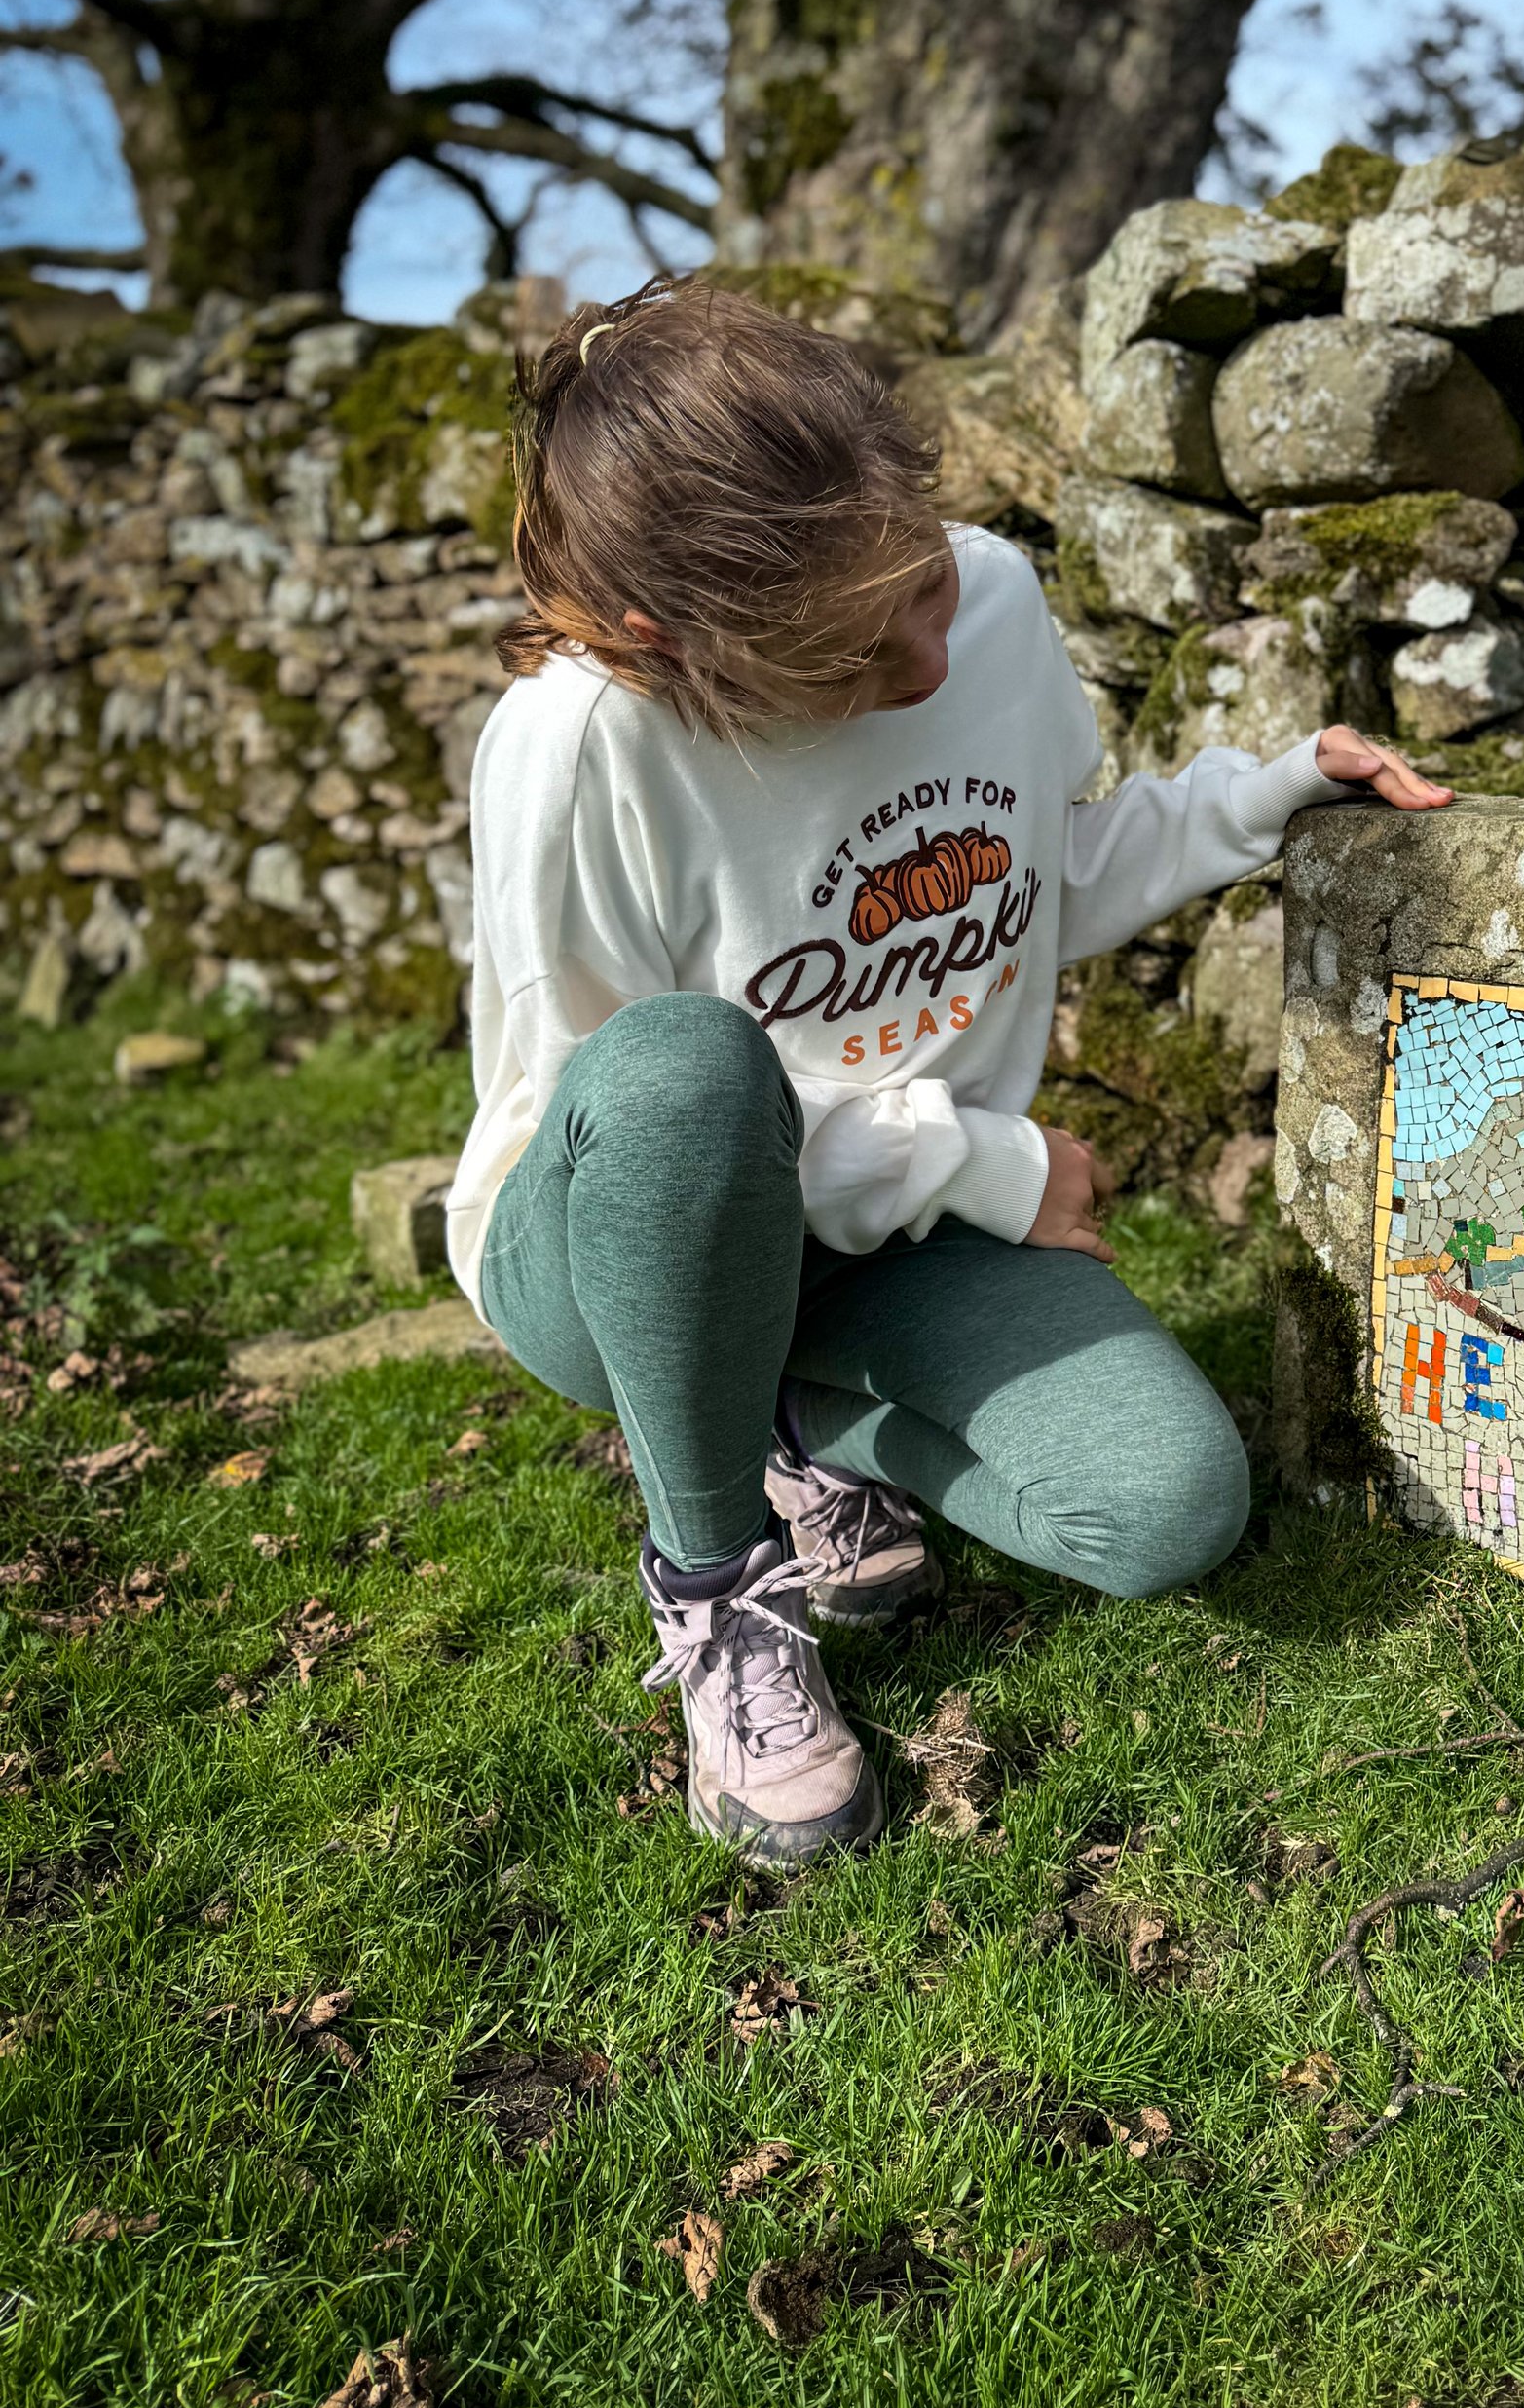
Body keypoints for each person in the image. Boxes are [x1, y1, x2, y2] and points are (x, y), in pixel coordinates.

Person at [447, 278, 1449, 1866]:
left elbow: (1033, 871)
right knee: (692, 1067)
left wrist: (1267, 799)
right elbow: (628, 1109)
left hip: (878, 1251)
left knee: (1167, 1504)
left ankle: (790, 1425)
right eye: (855, 644)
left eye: (919, 577)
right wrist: (980, 1161)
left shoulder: (986, 600)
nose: (929, 653)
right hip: (622, 1249)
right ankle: (721, 1589)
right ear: (667, 641)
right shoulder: (578, 750)